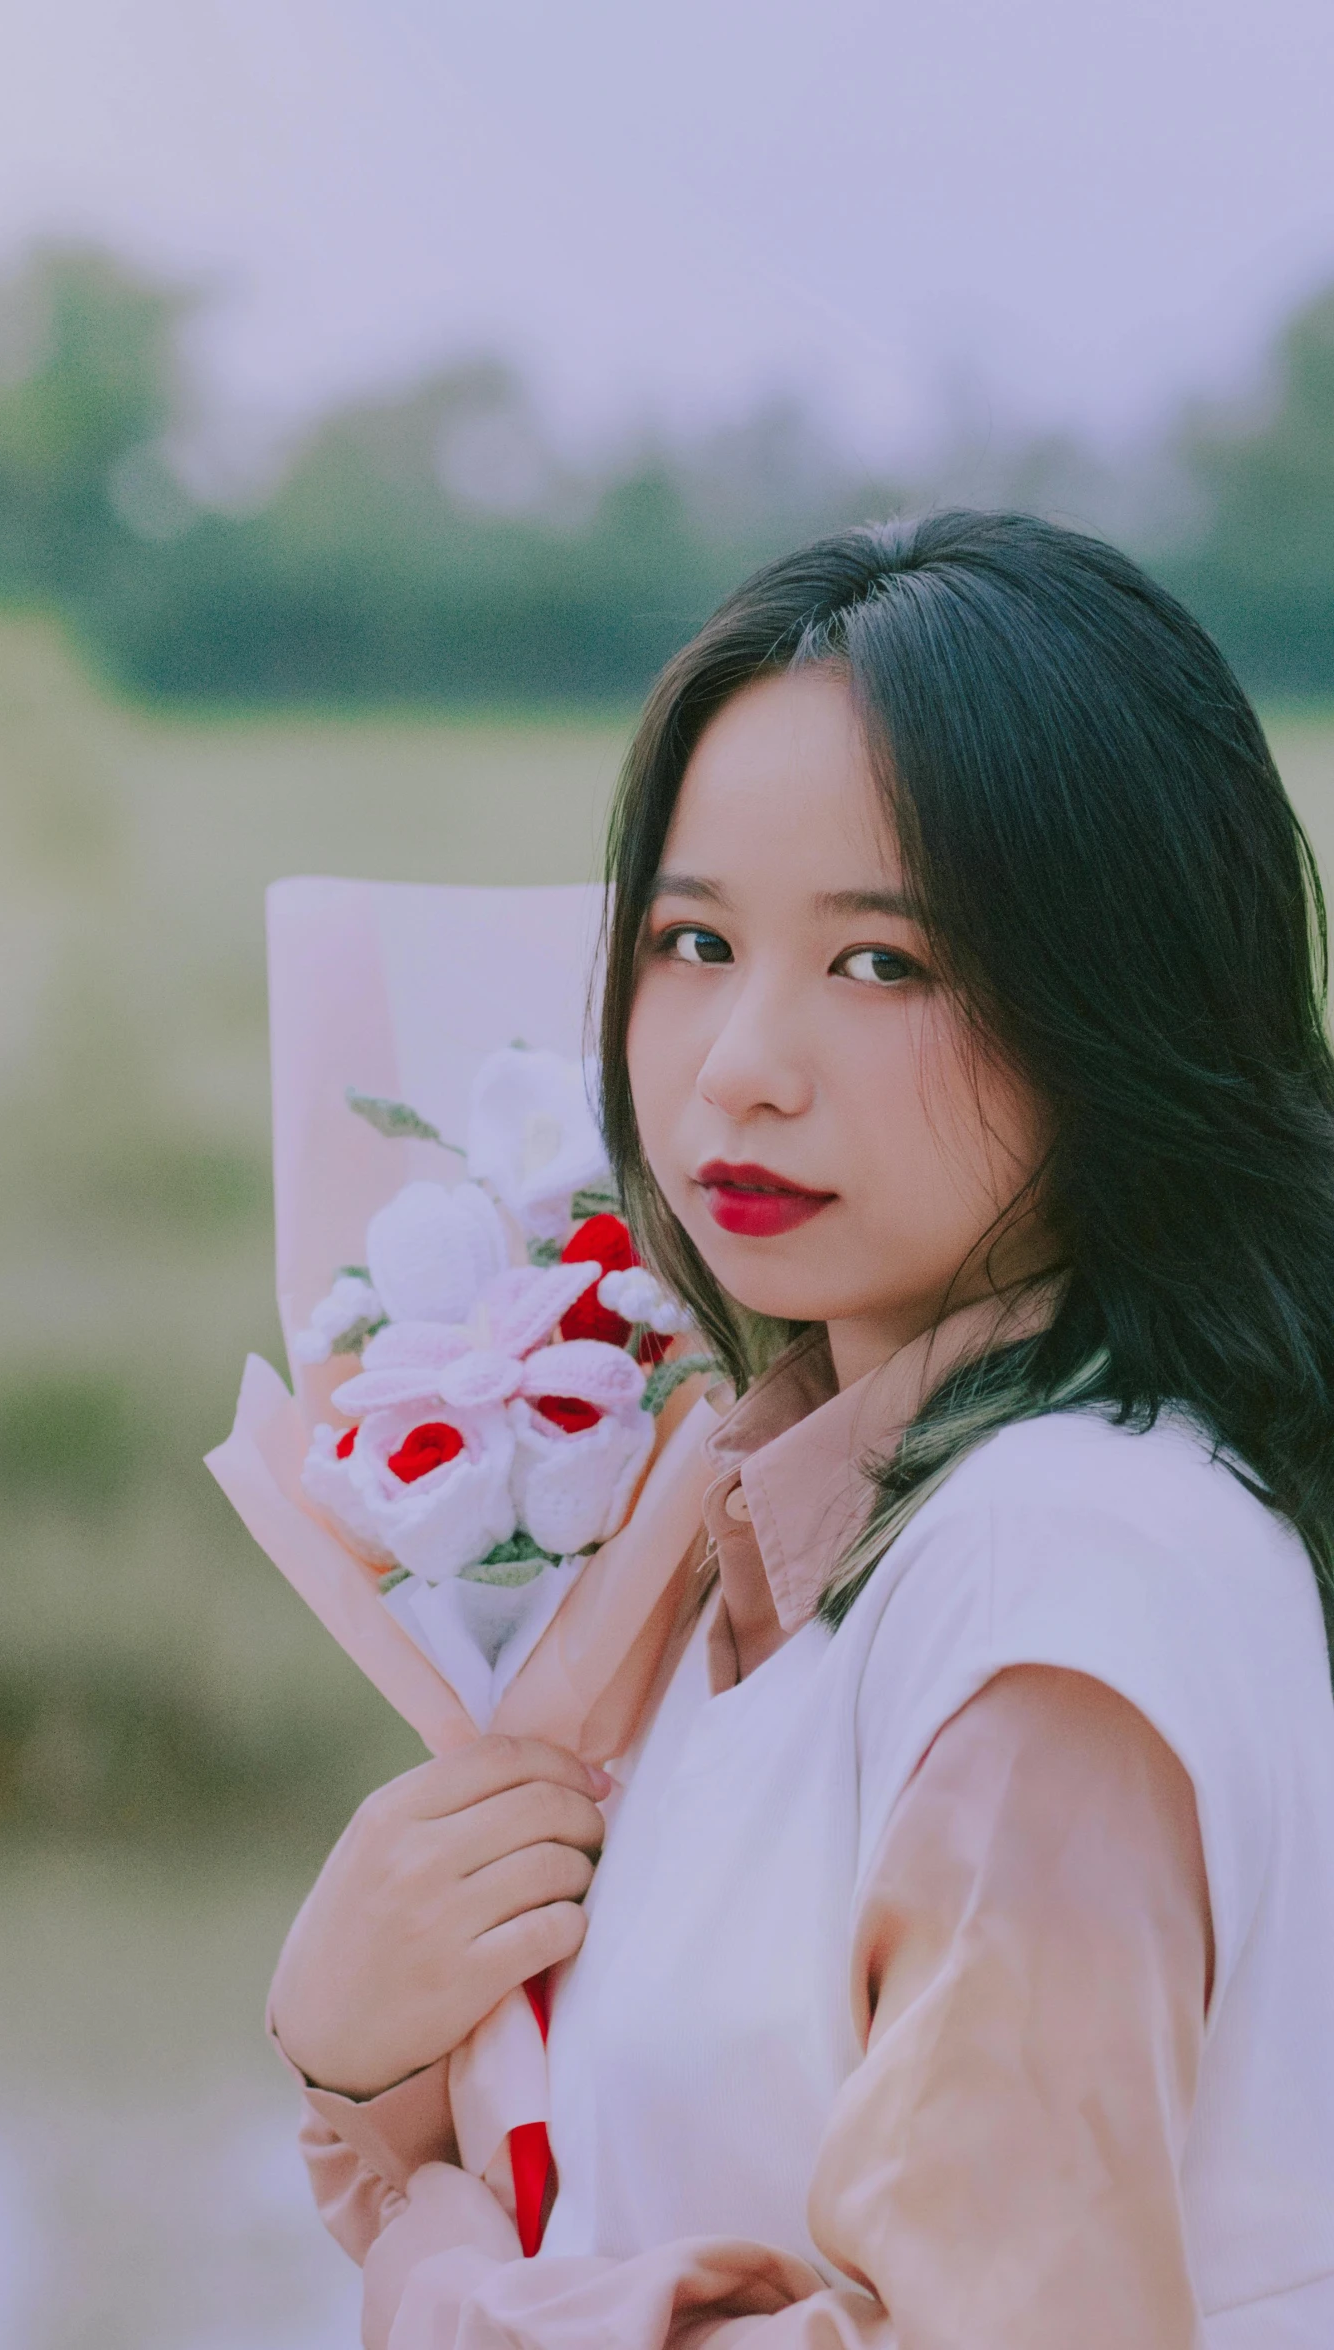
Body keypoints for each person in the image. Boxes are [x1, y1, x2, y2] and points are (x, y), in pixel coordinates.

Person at [266, 512, 1334, 2348]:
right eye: (691, 939)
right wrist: (368, 2058)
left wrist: (430, 2274)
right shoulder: (773, 1536)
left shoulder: (1061, 1574)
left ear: (1122, 996)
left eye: (883, 963)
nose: (736, 1060)